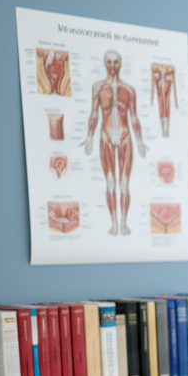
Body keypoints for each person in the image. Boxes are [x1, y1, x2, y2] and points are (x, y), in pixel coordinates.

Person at [82, 50, 147, 237]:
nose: (112, 66)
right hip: (106, 137)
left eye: (116, 62)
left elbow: (134, 117)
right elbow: (94, 113)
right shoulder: (98, 88)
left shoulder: (129, 90)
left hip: (126, 137)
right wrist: (89, 137)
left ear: (121, 64)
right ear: (104, 63)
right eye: (109, 62)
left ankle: (124, 223)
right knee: (110, 183)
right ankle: (114, 224)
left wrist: (140, 141)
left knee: (124, 184)